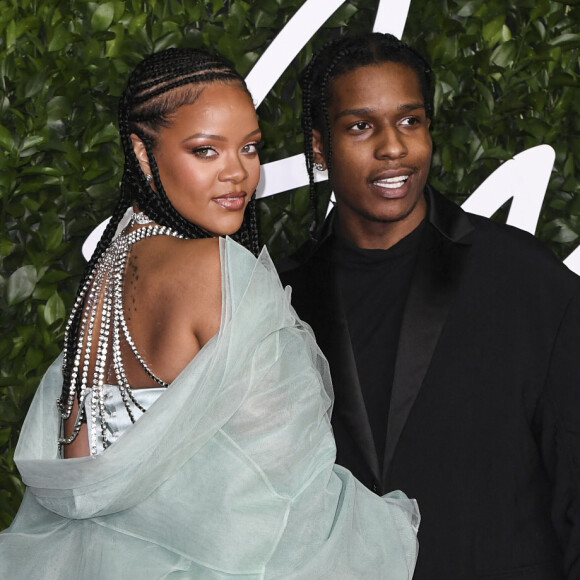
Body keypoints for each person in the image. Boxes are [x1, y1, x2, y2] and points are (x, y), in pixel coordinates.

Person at [0, 47, 420, 579]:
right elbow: (289, 491)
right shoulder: (220, 269)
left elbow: (78, 455)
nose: (238, 174)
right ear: (142, 150)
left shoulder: (109, 265)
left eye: (248, 148)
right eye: (206, 151)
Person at [280, 32, 580, 579]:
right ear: (320, 147)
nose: (393, 146)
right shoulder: (282, 300)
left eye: (410, 120)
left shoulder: (522, 277)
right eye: (360, 126)